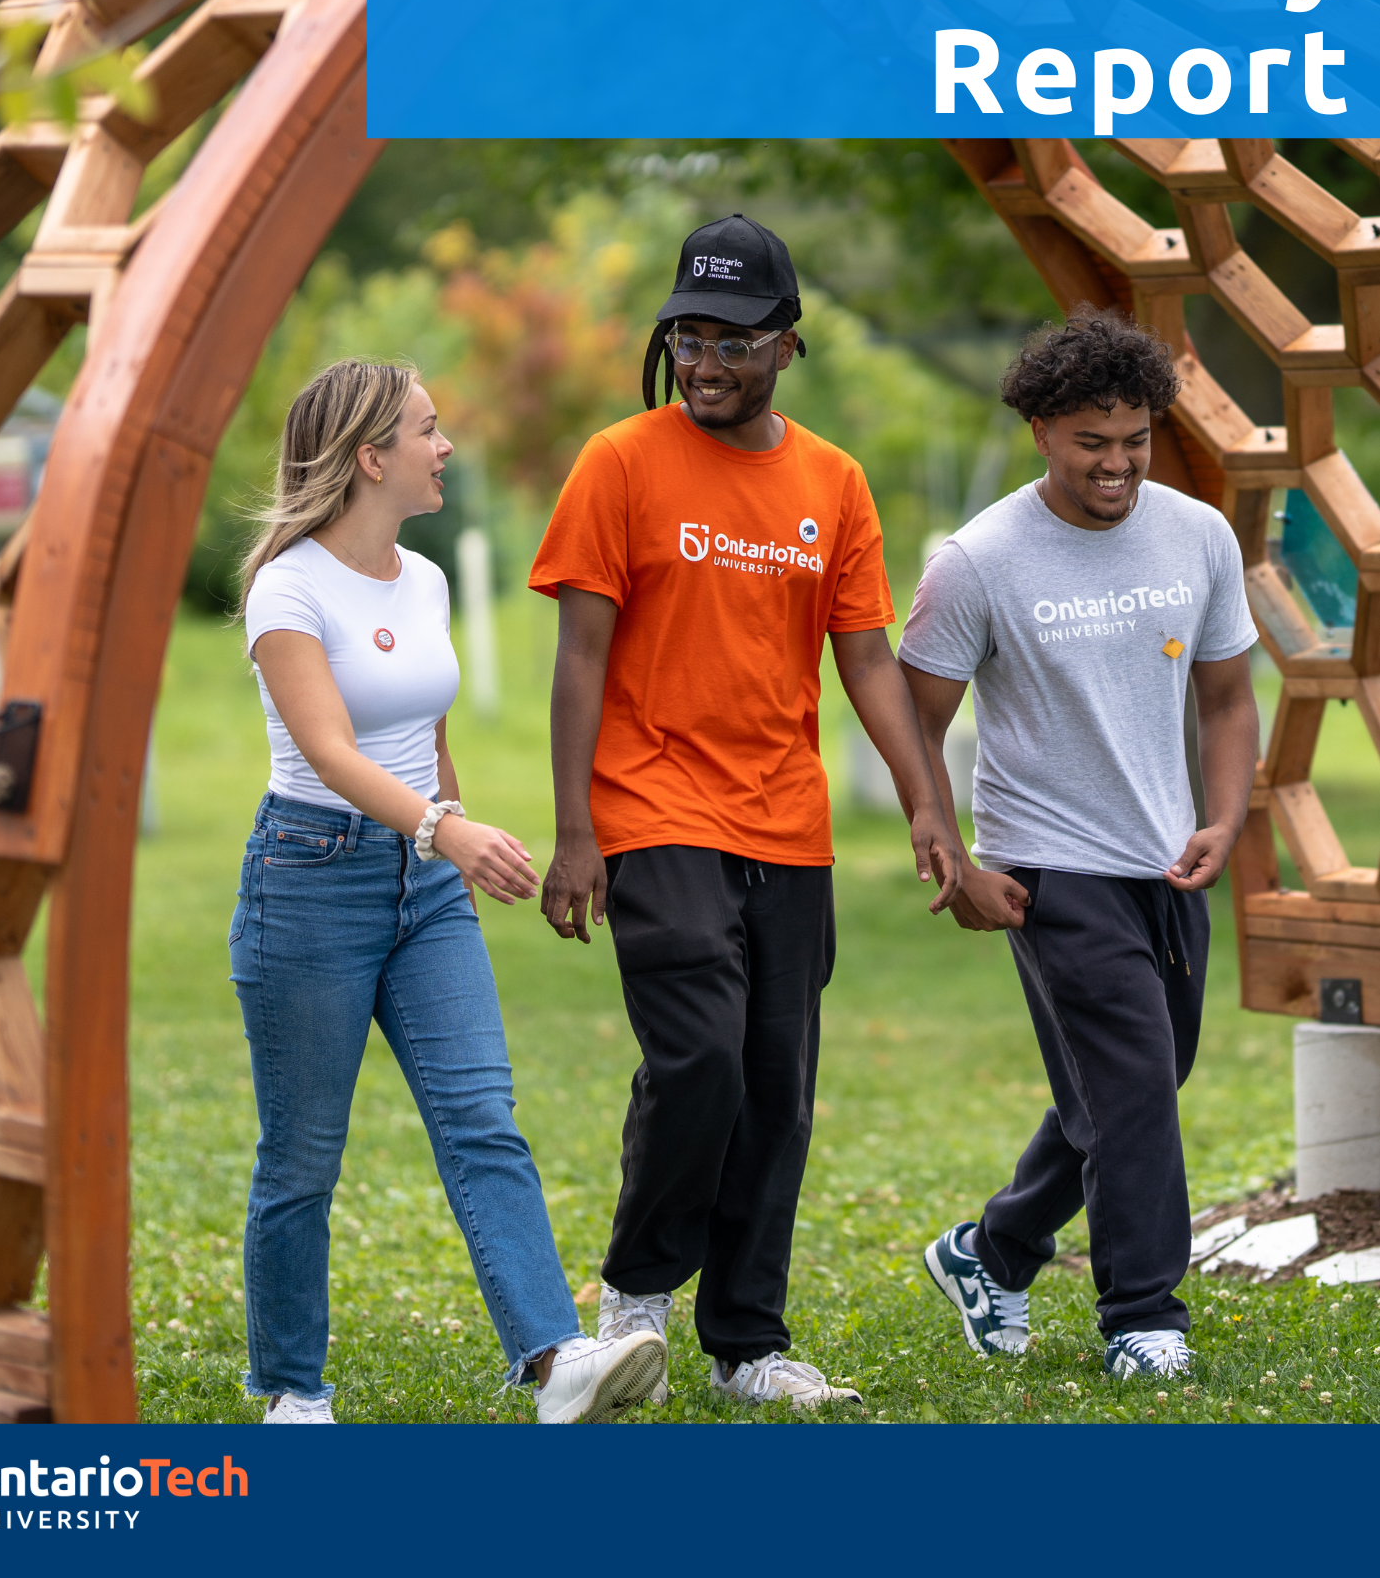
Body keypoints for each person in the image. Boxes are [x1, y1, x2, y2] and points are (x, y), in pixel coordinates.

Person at [529, 215, 961, 1410]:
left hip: (788, 821)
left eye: (733, 339)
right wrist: (577, 831)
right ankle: (636, 1290)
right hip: (654, 803)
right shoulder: (619, 460)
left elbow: (868, 661)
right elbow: (579, 658)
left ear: (787, 343)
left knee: (777, 1080)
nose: (707, 360)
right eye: (689, 336)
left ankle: (746, 1344)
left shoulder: (834, 481)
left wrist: (928, 802)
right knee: (702, 1058)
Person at [231, 359, 665, 1425]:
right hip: (309, 880)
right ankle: (292, 1387)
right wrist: (445, 829)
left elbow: (423, 731)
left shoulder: (419, 579)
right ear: (371, 455)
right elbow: (329, 749)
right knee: (302, 1154)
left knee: (482, 1118)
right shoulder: (286, 584)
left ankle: (553, 1359)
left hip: (423, 888)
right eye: (429, 430)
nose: (446, 447)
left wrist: (447, 841)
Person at [898, 308, 1260, 1381]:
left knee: (1143, 1077)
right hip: (1050, 864)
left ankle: (993, 1248)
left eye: (1136, 440)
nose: (1118, 464)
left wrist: (1226, 815)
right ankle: (1143, 1314)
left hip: (1164, 855)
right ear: (1042, 430)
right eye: (1092, 442)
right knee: (1136, 1084)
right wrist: (955, 857)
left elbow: (1231, 696)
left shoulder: (1198, 533)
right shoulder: (982, 559)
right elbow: (914, 716)